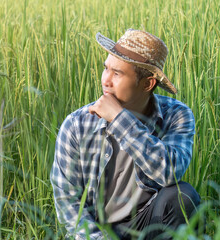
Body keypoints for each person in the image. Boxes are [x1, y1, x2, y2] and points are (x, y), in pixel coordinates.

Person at [50, 29, 201, 239]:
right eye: (106, 69)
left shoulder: (176, 116)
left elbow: (169, 173)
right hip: (97, 232)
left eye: (117, 73)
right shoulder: (77, 124)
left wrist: (120, 120)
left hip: (147, 222)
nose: (106, 81)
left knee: (183, 197)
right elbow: (69, 204)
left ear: (148, 83)